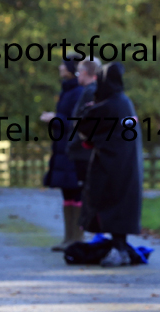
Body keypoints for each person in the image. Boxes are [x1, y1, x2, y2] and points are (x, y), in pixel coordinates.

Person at [75, 62, 143, 267]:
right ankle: (119, 247)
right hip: (126, 165)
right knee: (119, 207)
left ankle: (119, 250)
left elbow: (84, 124)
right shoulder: (124, 102)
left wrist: (89, 108)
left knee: (111, 206)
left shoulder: (110, 105)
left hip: (111, 167)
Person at [42, 53, 85, 252]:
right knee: (67, 193)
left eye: (63, 65)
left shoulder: (78, 93)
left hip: (71, 149)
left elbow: (76, 123)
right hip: (62, 148)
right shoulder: (67, 91)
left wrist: (55, 118)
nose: (60, 67)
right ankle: (68, 238)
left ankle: (77, 238)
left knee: (76, 193)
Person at [65, 58, 101, 247]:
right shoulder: (88, 91)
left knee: (85, 193)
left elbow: (84, 122)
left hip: (84, 151)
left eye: (79, 72)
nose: (77, 75)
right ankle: (73, 237)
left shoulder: (91, 92)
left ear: (86, 72)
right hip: (80, 150)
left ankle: (80, 237)